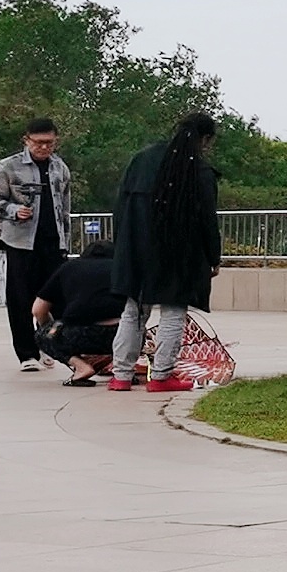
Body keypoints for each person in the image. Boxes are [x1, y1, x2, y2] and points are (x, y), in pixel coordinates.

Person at [108, 115, 220, 393]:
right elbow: (207, 220)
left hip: (135, 245)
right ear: (205, 140)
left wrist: (121, 245)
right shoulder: (198, 170)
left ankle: (121, 375)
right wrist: (213, 257)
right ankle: (160, 376)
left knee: (133, 310)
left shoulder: (142, 159)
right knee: (173, 310)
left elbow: (120, 206)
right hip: (178, 251)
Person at [0, 119, 72, 372]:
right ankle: (26, 353)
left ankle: (49, 344)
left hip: (53, 242)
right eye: (38, 143)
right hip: (20, 242)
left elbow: (65, 208)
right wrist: (14, 210)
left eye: (49, 143)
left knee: (56, 300)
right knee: (20, 300)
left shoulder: (60, 167)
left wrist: (66, 240)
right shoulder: (8, 166)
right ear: (27, 140)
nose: (44, 148)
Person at [33, 236, 126, 386]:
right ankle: (124, 369)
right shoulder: (122, 268)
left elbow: (38, 310)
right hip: (120, 334)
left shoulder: (69, 268)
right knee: (136, 332)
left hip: (80, 334)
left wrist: (50, 329)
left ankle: (81, 367)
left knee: (43, 335)